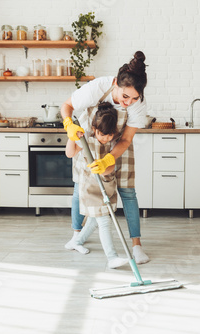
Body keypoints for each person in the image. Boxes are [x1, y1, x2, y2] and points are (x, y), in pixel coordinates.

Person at [62, 51, 150, 264]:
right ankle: (77, 236)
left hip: (119, 145)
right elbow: (67, 106)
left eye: (135, 98)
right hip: (89, 142)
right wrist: (69, 126)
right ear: (116, 84)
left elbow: (126, 139)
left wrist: (109, 159)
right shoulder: (100, 87)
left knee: (128, 193)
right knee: (80, 188)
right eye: (125, 96)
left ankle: (136, 246)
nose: (128, 102)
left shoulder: (138, 105)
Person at [65, 102, 128, 269]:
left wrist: (106, 165)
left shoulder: (114, 142)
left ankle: (76, 242)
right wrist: (72, 136)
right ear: (94, 128)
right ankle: (112, 257)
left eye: (108, 135)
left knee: (94, 219)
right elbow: (70, 153)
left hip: (106, 184)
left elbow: (112, 166)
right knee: (104, 220)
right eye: (100, 134)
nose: (104, 138)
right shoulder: (85, 138)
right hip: (90, 187)